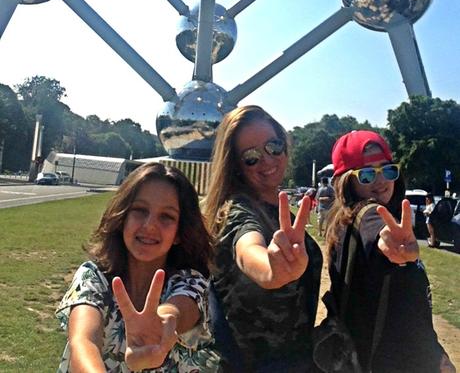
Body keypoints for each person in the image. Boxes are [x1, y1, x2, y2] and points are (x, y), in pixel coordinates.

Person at [56, 162, 220, 372]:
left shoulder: (190, 280)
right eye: (140, 210)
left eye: (167, 216)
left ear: (179, 233)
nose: (150, 225)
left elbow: (179, 310)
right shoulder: (93, 277)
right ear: (122, 216)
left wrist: (160, 326)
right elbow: (83, 342)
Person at [203, 105, 322, 372]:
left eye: (273, 146)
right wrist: (270, 270)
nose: (267, 160)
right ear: (235, 165)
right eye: (251, 157)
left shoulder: (278, 211)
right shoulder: (237, 211)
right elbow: (247, 246)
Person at [325, 130, 455, 373]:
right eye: (366, 174)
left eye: (387, 169)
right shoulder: (369, 215)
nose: (381, 180)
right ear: (346, 181)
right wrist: (387, 241)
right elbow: (377, 231)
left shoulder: (344, 223)